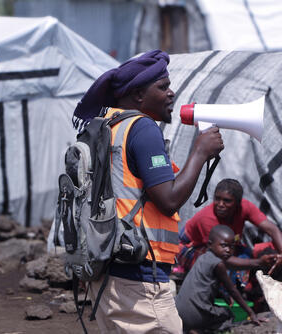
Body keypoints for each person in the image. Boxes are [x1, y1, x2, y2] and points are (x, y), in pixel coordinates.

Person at [72, 49, 224, 333]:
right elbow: (168, 200)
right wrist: (200, 153)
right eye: (163, 87)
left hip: (106, 272)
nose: (171, 93)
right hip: (139, 277)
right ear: (139, 94)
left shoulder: (107, 125)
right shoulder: (142, 128)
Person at [176, 178, 282, 308]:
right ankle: (235, 296)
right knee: (220, 268)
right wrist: (258, 262)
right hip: (195, 249)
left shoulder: (245, 207)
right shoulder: (207, 218)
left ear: (238, 203)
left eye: (227, 201)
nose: (220, 204)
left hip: (227, 249)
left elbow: (272, 229)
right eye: (217, 199)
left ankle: (262, 296)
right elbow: (220, 258)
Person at [175, 225, 265, 333]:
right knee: (227, 314)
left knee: (213, 308)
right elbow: (232, 290)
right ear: (210, 244)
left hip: (179, 311)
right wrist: (251, 313)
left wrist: (224, 296)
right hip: (195, 315)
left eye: (231, 247)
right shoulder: (218, 264)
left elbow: (206, 284)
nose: (228, 250)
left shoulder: (202, 258)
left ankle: (193, 329)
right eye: (224, 246)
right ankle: (199, 330)